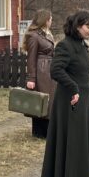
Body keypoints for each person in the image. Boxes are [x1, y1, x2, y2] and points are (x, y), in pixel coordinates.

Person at [41, 10, 89, 177]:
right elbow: (56, 70)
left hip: (84, 100)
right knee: (74, 140)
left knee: (83, 139)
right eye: (88, 26)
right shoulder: (65, 45)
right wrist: (73, 87)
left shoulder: (82, 45)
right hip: (70, 100)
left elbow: (84, 73)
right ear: (77, 26)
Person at [23, 9, 55, 139]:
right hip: (41, 72)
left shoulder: (46, 34)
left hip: (49, 71)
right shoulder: (34, 36)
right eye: (50, 19)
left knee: (49, 100)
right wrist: (31, 78)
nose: (51, 21)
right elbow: (31, 58)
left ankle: (47, 130)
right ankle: (39, 132)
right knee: (40, 100)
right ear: (45, 20)